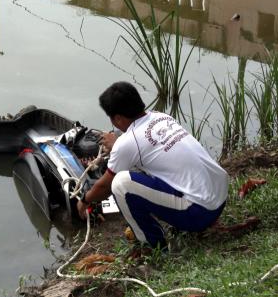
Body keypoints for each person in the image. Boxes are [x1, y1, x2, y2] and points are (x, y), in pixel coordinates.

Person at [77, 81, 228, 248]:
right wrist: (118, 144)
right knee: (142, 169)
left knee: (120, 184)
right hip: (220, 196)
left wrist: (84, 201)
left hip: (200, 214)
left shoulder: (126, 144)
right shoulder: (161, 117)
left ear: (117, 118)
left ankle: (152, 243)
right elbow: (141, 144)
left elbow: (105, 187)